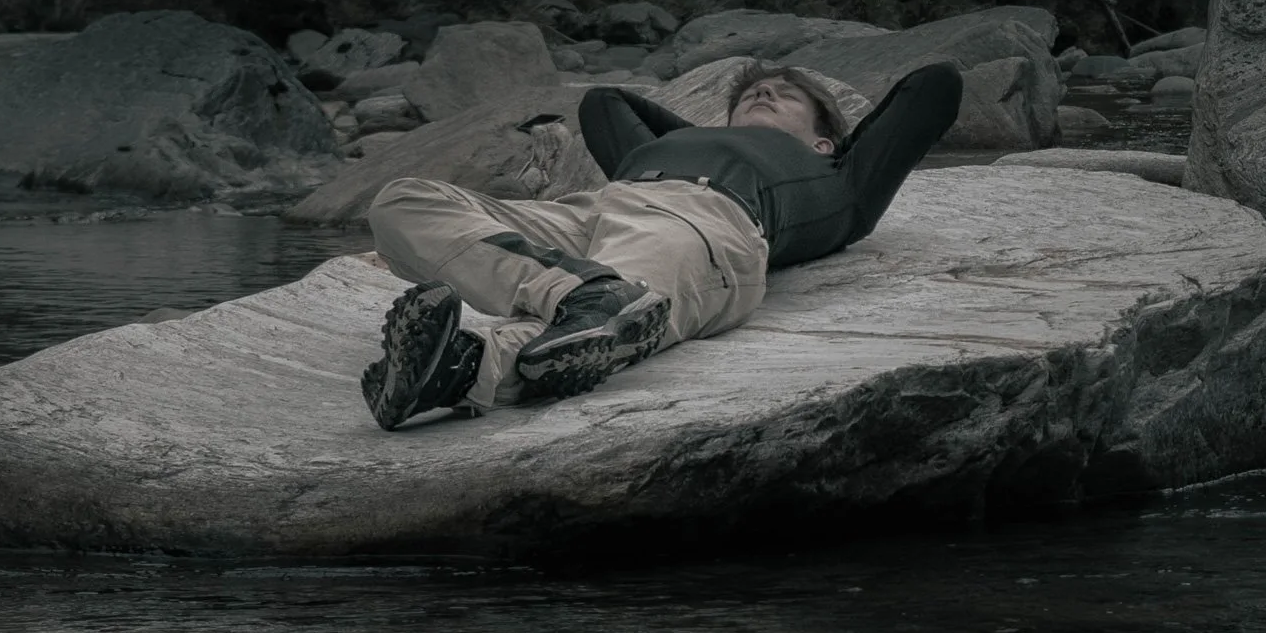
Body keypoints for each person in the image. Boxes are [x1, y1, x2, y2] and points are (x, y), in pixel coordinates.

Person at [359, 58, 964, 429]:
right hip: (587, 215)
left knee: (598, 324)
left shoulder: (839, 181)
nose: (764, 93)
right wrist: (711, 133)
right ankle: (582, 293)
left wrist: (807, 141)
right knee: (400, 202)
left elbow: (936, 84)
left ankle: (467, 368)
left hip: (705, 223)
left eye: (786, 94)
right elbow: (605, 101)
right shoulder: (659, 149)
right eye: (753, 92)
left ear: (826, 141)